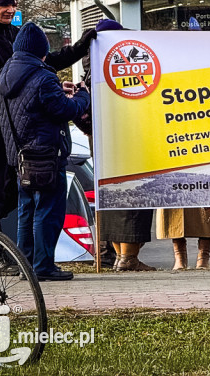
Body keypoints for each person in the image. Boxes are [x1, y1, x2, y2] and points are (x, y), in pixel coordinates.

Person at [0, 0, 95, 226]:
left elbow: (44, 62)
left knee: (13, 194)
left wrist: (79, 48)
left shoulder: (13, 33)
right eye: (4, 5)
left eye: (13, 4)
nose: (10, 10)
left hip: (16, 132)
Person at [0, 23, 92, 281]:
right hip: (46, 156)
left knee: (26, 212)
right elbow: (66, 111)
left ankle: (26, 264)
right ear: (41, 51)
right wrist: (83, 96)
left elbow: (32, 105)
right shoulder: (43, 77)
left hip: (20, 156)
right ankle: (43, 266)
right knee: (48, 213)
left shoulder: (6, 75)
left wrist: (59, 92)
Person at [84, 18, 156, 271]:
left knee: (112, 200)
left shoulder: (92, 70)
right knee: (134, 199)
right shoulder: (122, 69)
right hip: (129, 141)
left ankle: (120, 258)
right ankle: (129, 258)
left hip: (104, 146)